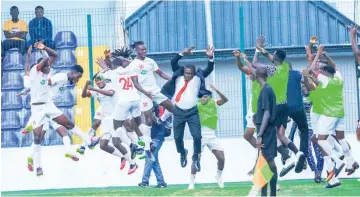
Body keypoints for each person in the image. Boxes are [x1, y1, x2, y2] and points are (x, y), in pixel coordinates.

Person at [28, 42, 99, 176]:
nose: (50, 67)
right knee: (38, 137)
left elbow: (54, 55)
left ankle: (89, 141)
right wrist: (42, 54)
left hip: (48, 105)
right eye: (78, 77)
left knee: (67, 124)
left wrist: (44, 48)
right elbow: (46, 77)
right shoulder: (48, 74)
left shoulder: (57, 77)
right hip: (38, 107)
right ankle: (37, 164)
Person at [233, 51, 294, 178]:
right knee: (248, 135)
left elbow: (253, 68)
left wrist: (247, 59)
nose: (251, 73)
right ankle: (270, 156)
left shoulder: (264, 81)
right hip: (254, 110)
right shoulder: (259, 76)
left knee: (265, 141)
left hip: (260, 112)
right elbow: (241, 67)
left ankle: (268, 169)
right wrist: (239, 58)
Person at [254, 36, 305, 174]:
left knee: (272, 135)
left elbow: (255, 63)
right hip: (285, 105)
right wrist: (262, 49)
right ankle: (298, 153)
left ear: (275, 56)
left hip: (275, 106)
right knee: (282, 134)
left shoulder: (271, 70)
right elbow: (270, 57)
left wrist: (257, 50)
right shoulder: (285, 67)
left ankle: (287, 159)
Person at [308, 44, 359, 182]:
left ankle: (337, 160)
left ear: (325, 72)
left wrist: (318, 53)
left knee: (321, 140)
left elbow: (311, 70)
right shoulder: (338, 77)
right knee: (341, 138)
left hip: (329, 114)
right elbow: (334, 65)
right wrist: (325, 55)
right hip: (340, 113)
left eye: (323, 70)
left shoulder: (325, 80)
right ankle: (350, 161)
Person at [161, 46, 214, 172]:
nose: (187, 76)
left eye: (190, 74)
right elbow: (173, 62)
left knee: (197, 136)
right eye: (186, 73)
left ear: (193, 73)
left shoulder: (198, 77)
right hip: (178, 111)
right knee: (177, 138)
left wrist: (210, 57)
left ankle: (196, 157)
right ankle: (182, 152)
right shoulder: (178, 75)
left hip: (192, 112)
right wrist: (182, 53)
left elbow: (209, 69)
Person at [188, 84, 227, 190]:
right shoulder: (194, 105)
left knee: (221, 158)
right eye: (203, 96)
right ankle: (191, 182)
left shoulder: (213, 102)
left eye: (206, 96)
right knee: (196, 160)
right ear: (199, 97)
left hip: (212, 136)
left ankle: (218, 176)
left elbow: (225, 99)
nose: (205, 98)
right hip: (200, 137)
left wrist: (217, 89)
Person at [253, 66, 278, 197]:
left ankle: (271, 193)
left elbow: (267, 114)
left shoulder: (265, 91)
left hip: (266, 131)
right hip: (267, 130)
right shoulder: (267, 89)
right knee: (266, 162)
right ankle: (266, 193)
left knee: (268, 162)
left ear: (258, 75)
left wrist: (260, 134)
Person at [138, 102, 169, 188]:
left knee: (149, 157)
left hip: (157, 137)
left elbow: (159, 121)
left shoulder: (159, 108)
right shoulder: (146, 108)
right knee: (154, 160)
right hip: (151, 137)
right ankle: (161, 182)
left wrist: (150, 114)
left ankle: (145, 181)